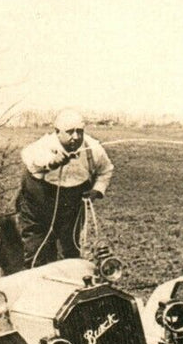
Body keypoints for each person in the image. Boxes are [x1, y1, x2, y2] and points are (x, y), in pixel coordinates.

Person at [16, 108, 114, 267]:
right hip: (38, 204)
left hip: (72, 204)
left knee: (71, 250)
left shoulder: (93, 148)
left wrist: (96, 190)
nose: (75, 137)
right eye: (70, 132)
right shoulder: (43, 145)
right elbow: (31, 158)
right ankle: (38, 284)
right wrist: (53, 162)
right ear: (57, 132)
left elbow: (106, 170)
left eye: (79, 131)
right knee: (37, 250)